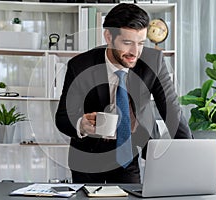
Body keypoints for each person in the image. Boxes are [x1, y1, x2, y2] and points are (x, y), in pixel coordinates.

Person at [55, 3, 192, 184]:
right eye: (127, 43)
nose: (135, 52)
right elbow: (63, 117)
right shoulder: (80, 66)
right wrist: (81, 125)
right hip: (87, 157)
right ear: (109, 36)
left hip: (128, 153)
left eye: (141, 43)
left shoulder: (154, 61)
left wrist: (191, 154)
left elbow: (172, 110)